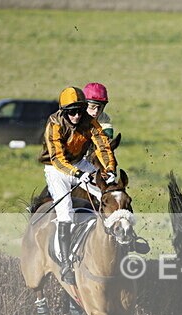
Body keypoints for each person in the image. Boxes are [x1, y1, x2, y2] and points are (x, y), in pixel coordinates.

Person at [38, 86, 117, 285]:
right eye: (71, 112)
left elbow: (103, 146)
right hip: (56, 169)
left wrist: (110, 170)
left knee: (108, 193)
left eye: (79, 111)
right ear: (64, 112)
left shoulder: (89, 122)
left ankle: (123, 236)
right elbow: (57, 158)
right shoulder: (54, 124)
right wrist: (77, 174)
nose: (76, 116)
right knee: (66, 213)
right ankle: (65, 263)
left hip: (80, 163)